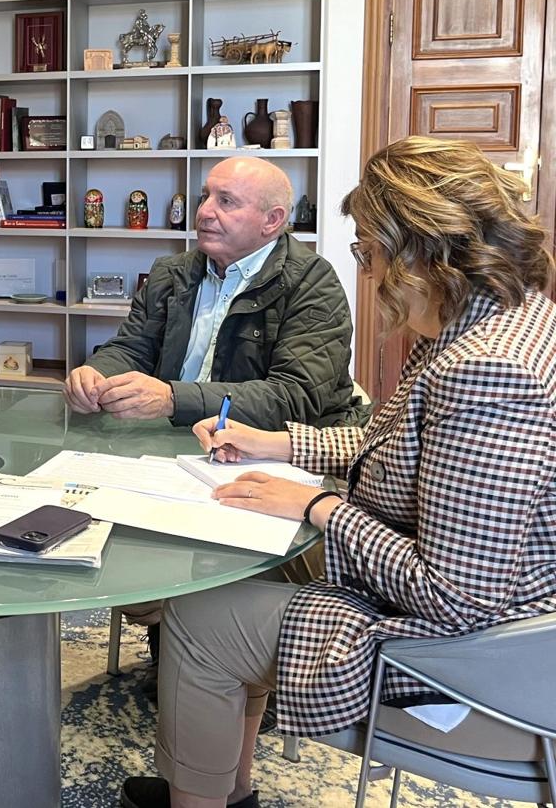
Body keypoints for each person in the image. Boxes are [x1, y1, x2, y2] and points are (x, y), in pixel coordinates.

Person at [120, 136, 556, 808]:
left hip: (473, 661)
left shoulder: (488, 371)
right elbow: (406, 444)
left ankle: (203, 796)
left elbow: (455, 597)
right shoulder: (499, 321)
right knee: (249, 566)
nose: (371, 274)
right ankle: (228, 790)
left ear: (424, 253)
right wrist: (280, 446)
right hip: (493, 622)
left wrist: (316, 508)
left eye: (373, 254)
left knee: (200, 617)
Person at [65, 156, 365, 706]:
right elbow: (131, 346)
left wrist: (174, 398)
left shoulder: (312, 284)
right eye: (206, 197)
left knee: (192, 530)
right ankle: (181, 641)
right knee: (87, 512)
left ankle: (224, 661)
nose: (204, 212)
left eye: (226, 202)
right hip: (169, 443)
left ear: (272, 221)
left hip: (267, 453)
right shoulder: (173, 273)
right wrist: (96, 372)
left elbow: (295, 396)